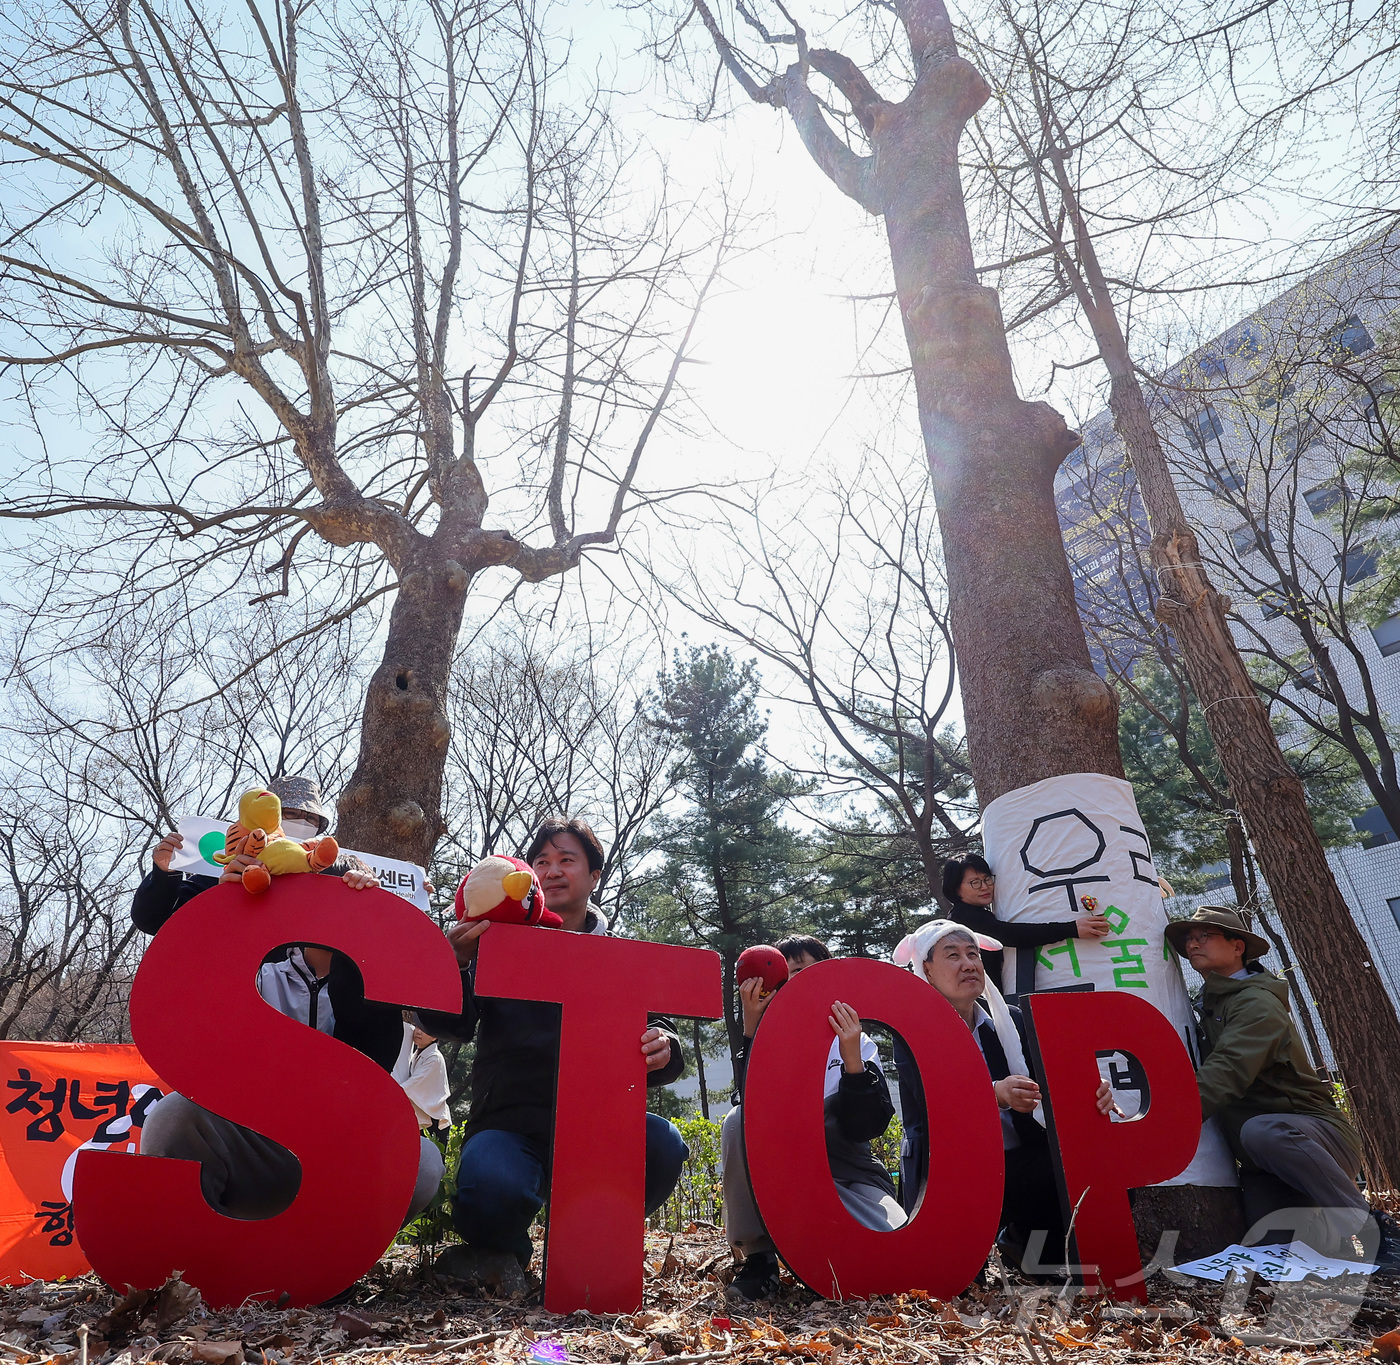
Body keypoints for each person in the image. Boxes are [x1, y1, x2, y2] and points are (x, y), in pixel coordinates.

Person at [132, 775, 445, 1225]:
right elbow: (169, 943)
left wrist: (399, 918)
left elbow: (399, 1027)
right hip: (249, 1132)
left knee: (423, 1161)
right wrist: (223, 906)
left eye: (307, 820)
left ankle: (331, 1258)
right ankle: (197, 1252)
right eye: (288, 817)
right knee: (172, 1117)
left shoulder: (363, 978)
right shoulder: (248, 950)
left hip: (335, 1141)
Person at [421, 816, 688, 1285]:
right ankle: (502, 1252)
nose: (552, 870)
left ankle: (592, 1241)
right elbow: (450, 1024)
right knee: (489, 1186)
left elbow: (658, 1027)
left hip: (597, 1122)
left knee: (663, 1145)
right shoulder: (497, 944)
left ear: (594, 875)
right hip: (509, 1123)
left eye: (568, 859)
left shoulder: (620, 955)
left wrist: (666, 1046)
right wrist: (455, 962)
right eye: (541, 861)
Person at [1166, 904, 1400, 1264]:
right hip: (1263, 1160)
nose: (1193, 944)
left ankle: (1374, 1228)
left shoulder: (1256, 1002)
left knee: (1265, 1131)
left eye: (1205, 936)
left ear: (1237, 946)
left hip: (1312, 1138)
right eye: (1189, 939)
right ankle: (1329, 1233)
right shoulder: (1207, 1002)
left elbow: (1227, 1069)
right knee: (1275, 1252)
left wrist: (1164, 1126)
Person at [890, 918, 1116, 1276]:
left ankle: (1026, 1246)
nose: (968, 964)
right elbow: (934, 1101)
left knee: (1085, 1164)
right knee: (951, 1280)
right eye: (953, 955)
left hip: (1016, 1163)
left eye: (973, 954)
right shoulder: (910, 1031)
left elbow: (1056, 1077)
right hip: (950, 1172)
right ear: (926, 971)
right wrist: (995, 1093)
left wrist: (1093, 1090)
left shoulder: (1009, 1021)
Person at [721, 935, 907, 1302]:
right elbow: (753, 1114)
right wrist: (752, 1030)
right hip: (790, 1178)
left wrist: (852, 1060)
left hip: (852, 1177)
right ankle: (760, 1260)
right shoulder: (771, 1039)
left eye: (809, 972)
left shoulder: (858, 1037)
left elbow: (868, 1126)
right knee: (737, 1120)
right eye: (788, 977)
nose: (799, 986)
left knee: (901, 1249)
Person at [942, 853, 1111, 998]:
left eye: (987, 879)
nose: (985, 887)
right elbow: (1012, 935)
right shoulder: (962, 917)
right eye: (975, 882)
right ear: (956, 889)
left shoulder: (976, 912)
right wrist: (1071, 929)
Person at [394, 1019, 453, 1136]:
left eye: (425, 1030)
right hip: (425, 1118)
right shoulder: (416, 1055)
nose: (418, 1032)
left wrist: (392, 1093)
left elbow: (412, 1084)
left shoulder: (434, 1058)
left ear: (434, 1037)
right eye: (417, 1027)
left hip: (434, 1121)